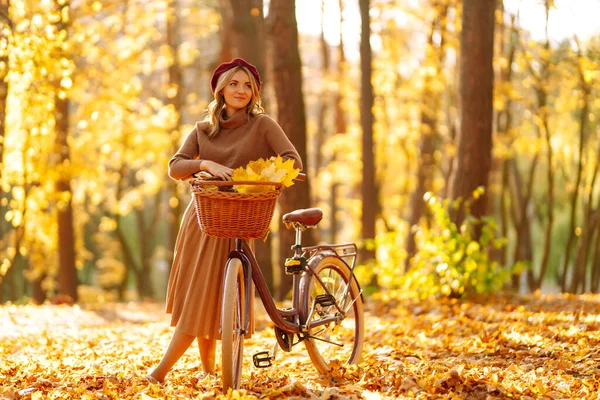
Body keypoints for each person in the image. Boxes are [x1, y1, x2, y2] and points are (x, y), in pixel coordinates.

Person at [149, 58, 302, 383]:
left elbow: (293, 160)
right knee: (200, 295)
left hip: (239, 215)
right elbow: (175, 166)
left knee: (210, 296)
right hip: (202, 218)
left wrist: (256, 177)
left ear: (255, 92)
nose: (241, 90)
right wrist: (203, 163)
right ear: (220, 89)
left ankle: (159, 372)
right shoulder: (203, 130)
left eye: (248, 85)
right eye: (234, 83)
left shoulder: (263, 125)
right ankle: (208, 371)